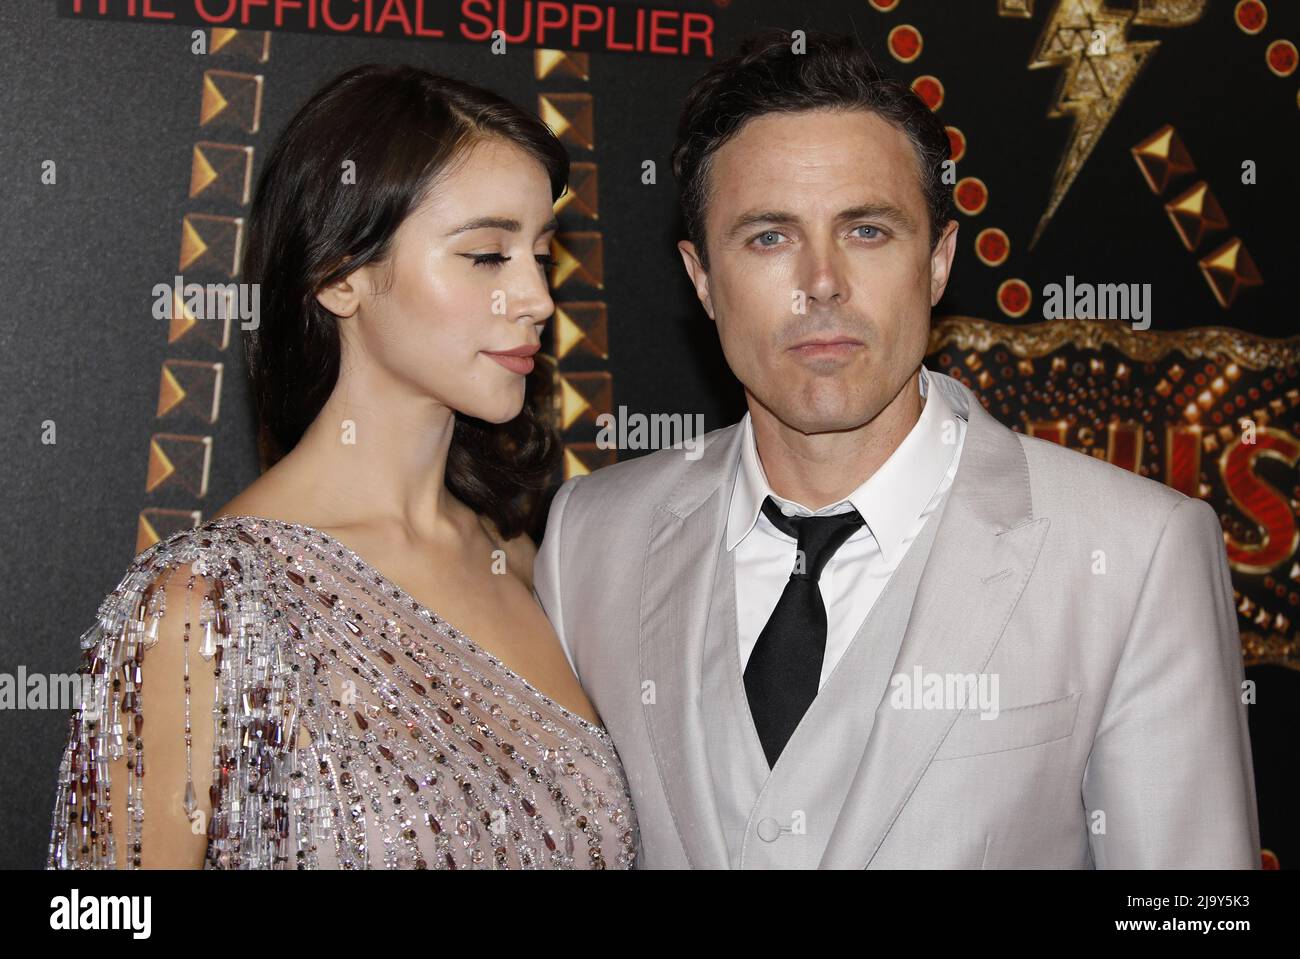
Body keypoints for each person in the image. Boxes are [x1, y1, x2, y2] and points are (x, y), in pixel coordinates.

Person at [532, 30, 1259, 869]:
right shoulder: (591, 537)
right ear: (701, 277)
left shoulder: (1133, 551)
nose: (823, 281)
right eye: (769, 237)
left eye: (867, 231)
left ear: (940, 260)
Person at [47, 64, 637, 870]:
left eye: (540, 254)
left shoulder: (535, 568)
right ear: (339, 276)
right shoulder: (204, 606)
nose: (535, 297)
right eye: (487, 255)